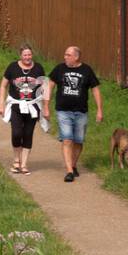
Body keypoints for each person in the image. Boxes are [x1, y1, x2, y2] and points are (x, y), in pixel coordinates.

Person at [45, 45, 103, 183]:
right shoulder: (59, 69)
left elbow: (95, 90)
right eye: (65, 54)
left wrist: (100, 109)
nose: (65, 57)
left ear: (76, 57)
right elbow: (49, 86)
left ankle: (73, 164)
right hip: (63, 110)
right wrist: (45, 106)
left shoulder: (86, 70)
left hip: (81, 112)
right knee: (67, 139)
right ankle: (69, 171)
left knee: (78, 141)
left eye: (68, 55)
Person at [0, 45, 47, 175]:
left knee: (28, 133)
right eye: (25, 55)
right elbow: (3, 86)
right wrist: (1, 104)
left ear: (32, 55)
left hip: (32, 106)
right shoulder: (12, 67)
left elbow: (45, 87)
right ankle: (16, 160)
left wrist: (45, 107)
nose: (27, 57)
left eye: (29, 55)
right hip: (16, 105)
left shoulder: (38, 68)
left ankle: (24, 164)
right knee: (16, 133)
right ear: (20, 55)